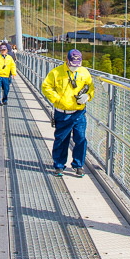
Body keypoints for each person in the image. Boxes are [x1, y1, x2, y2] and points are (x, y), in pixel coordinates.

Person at [41, 49, 93, 177]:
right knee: (61, 139)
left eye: (77, 64)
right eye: (73, 64)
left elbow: (91, 88)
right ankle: (59, 165)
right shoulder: (56, 72)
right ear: (67, 60)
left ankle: (78, 165)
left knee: (80, 139)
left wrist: (88, 96)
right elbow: (45, 87)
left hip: (79, 112)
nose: (75, 67)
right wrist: (57, 99)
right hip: (63, 113)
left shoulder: (84, 72)